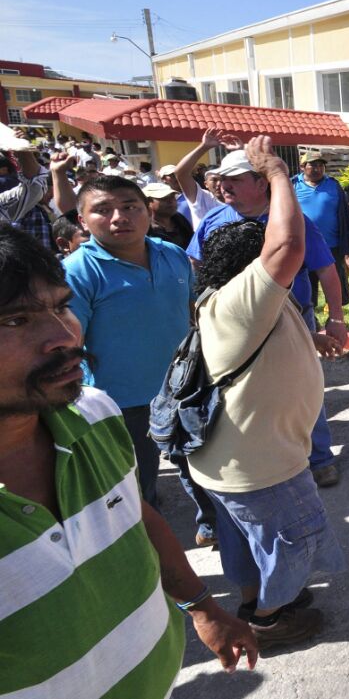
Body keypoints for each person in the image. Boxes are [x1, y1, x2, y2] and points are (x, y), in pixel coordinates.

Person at [0, 226, 258, 695]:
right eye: (16, 321)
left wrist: (201, 605)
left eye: (61, 306)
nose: (64, 335)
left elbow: (134, 515)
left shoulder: (94, 412)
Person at [185, 135, 345, 649]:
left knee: (247, 540)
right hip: (260, 464)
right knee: (292, 542)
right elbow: (287, 248)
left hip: (241, 461)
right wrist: (276, 170)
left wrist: (314, 336)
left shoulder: (248, 307)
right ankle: (270, 619)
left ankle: (257, 597)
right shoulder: (240, 302)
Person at [189, 142, 347, 488]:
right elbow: (196, 265)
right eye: (221, 179)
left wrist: (335, 318)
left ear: (262, 183)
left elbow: (326, 270)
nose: (224, 186)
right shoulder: (214, 220)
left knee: (301, 387)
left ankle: (319, 457)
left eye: (235, 179)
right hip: (233, 325)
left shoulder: (293, 222)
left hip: (292, 318)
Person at [63, 176, 195, 509]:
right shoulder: (76, 271)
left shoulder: (172, 254)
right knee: (136, 487)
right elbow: (68, 343)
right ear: (82, 220)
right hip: (121, 403)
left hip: (183, 389)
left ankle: (210, 527)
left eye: (130, 207)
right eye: (103, 210)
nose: (119, 217)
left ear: (148, 211)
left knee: (202, 471)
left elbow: (195, 313)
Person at [294, 151, 349, 307]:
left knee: (336, 289)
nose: (318, 169)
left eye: (321, 165)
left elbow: (345, 215)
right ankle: (310, 318)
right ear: (302, 167)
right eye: (313, 165)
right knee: (306, 290)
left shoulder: (334, 185)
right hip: (303, 246)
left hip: (331, 246)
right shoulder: (293, 185)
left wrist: (348, 244)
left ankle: (335, 317)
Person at [171, 129, 228, 228]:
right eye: (214, 180)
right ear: (206, 184)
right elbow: (181, 173)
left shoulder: (239, 201)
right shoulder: (201, 198)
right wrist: (204, 146)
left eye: (223, 179)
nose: (219, 184)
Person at [143, 182, 195, 248]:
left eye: (172, 197)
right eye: (164, 198)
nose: (171, 201)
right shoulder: (145, 229)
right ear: (148, 202)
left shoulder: (180, 220)